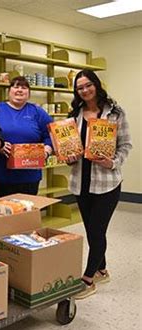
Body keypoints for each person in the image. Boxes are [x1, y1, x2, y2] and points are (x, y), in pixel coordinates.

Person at [67, 69, 132, 300]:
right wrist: (68, 156)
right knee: (92, 230)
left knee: (97, 231)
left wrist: (112, 162)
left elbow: (126, 145)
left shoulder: (115, 113)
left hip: (107, 184)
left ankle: (88, 279)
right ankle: (102, 270)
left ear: (96, 84)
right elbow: (69, 146)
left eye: (88, 85)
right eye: (79, 87)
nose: (84, 90)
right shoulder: (74, 114)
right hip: (80, 182)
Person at [0, 76, 53, 199]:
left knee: (27, 212)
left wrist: (47, 150)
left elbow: (51, 134)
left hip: (29, 177)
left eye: (24, 87)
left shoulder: (37, 112)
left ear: (29, 93)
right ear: (9, 91)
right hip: (1, 176)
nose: (19, 90)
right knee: (1, 214)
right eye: (16, 86)